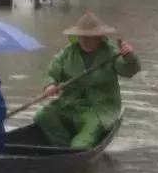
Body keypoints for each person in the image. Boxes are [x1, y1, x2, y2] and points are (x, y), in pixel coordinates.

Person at [36, 11, 141, 149]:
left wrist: (129, 57)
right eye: (83, 37)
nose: (86, 41)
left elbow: (129, 71)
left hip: (97, 110)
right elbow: (51, 72)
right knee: (43, 116)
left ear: (99, 37)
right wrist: (49, 86)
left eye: (91, 37)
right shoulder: (67, 53)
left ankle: (74, 150)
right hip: (69, 104)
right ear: (78, 37)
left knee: (80, 145)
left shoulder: (110, 53)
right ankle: (62, 146)